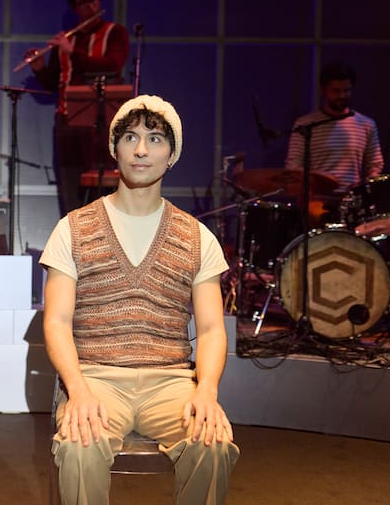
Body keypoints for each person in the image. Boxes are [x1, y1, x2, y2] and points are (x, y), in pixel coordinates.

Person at [40, 94, 239, 505]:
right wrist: (76, 388)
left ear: (172, 155)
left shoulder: (197, 237)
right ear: (115, 149)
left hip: (171, 381)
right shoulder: (72, 228)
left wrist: (207, 390)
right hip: (94, 378)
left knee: (213, 445)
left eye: (155, 139)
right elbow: (56, 322)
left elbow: (210, 329)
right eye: (130, 137)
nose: (142, 149)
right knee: (80, 445)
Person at [25, 0, 130, 215]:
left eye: (94, 1)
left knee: (102, 184)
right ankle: (73, 233)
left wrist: (73, 52)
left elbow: (112, 65)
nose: (91, 7)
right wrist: (39, 68)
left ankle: (105, 232)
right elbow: (54, 83)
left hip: (101, 122)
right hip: (66, 121)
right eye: (84, 3)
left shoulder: (115, 33)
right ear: (75, 8)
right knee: (69, 182)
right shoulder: (66, 39)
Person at [285, 61, 384, 225]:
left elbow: (374, 164)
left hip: (353, 203)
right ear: (323, 91)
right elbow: (293, 166)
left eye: (347, 90)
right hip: (317, 202)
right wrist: (317, 182)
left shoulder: (366, 124)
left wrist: (366, 188)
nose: (342, 96)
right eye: (336, 91)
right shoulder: (305, 125)